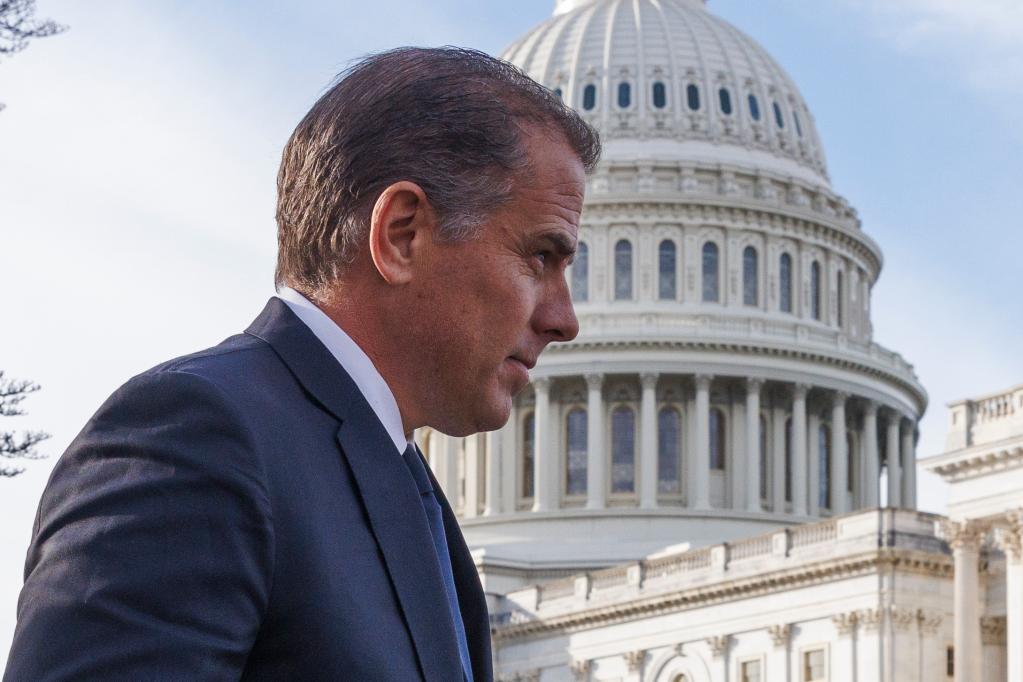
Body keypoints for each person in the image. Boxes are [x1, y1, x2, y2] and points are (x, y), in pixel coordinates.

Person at [4, 47, 600, 681]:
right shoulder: (192, 438)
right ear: (402, 235)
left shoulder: (403, 487)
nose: (564, 319)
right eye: (540, 257)